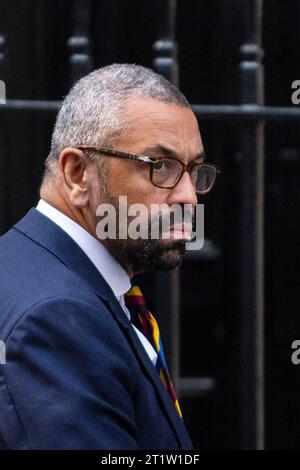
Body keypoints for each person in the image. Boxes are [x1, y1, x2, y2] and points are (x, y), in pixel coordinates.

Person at [0, 64, 218, 449]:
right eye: (160, 166)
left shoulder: (29, 264)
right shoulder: (56, 317)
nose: (188, 196)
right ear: (76, 172)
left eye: (194, 169)